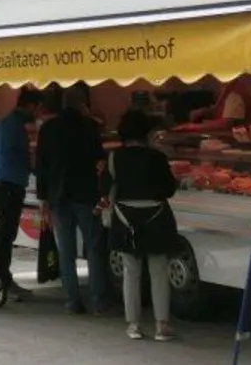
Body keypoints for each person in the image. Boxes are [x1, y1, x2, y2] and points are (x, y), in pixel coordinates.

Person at [101, 109, 180, 341]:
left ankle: (134, 325)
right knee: (159, 271)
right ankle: (161, 325)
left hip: (125, 219)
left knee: (131, 272)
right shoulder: (157, 157)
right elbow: (169, 189)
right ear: (146, 133)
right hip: (155, 217)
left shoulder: (114, 158)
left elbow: (104, 187)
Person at [36, 84, 109, 314]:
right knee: (94, 248)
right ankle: (99, 301)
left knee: (65, 251)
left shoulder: (48, 129)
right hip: (86, 194)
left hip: (58, 196)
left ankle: (72, 300)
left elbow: (41, 166)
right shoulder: (90, 127)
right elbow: (100, 159)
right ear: (81, 104)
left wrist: (43, 199)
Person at [0, 88, 42, 300]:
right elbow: (16, 155)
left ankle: (3, 278)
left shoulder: (10, 123)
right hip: (8, 186)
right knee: (6, 235)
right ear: (30, 106)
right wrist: (34, 166)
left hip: (5, 184)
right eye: (38, 108)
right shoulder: (13, 125)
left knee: (6, 234)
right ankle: (3, 280)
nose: (38, 113)